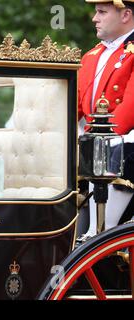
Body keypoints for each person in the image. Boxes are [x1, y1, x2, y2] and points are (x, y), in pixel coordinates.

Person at [79, 0, 134, 240]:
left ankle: (102, 234)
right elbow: (75, 104)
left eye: (102, 12)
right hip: (98, 143)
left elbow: (128, 111)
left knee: (108, 149)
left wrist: (93, 140)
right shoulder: (92, 55)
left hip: (123, 143)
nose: (94, 18)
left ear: (126, 15)